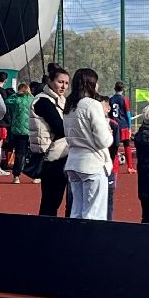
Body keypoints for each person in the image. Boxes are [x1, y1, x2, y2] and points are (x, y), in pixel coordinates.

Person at [61, 68, 112, 220]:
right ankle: (90, 242)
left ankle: (75, 241)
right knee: (94, 213)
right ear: (90, 84)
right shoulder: (92, 105)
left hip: (74, 161)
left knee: (76, 211)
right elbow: (104, 140)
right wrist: (108, 131)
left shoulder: (69, 105)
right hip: (92, 163)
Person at [28, 64, 70, 214]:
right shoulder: (43, 101)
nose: (63, 86)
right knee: (51, 201)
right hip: (51, 156)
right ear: (50, 81)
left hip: (61, 153)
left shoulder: (61, 100)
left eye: (66, 83)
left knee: (55, 200)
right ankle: (44, 232)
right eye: (60, 82)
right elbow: (60, 127)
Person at [6, 81, 34, 184]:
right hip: (31, 130)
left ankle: (16, 176)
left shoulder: (16, 99)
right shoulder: (32, 99)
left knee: (19, 153)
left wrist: (15, 94)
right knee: (33, 153)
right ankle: (35, 175)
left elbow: (7, 102)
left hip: (18, 130)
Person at [109, 82, 136, 172]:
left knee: (114, 147)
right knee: (126, 144)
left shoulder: (111, 99)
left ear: (114, 89)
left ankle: (114, 168)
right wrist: (129, 127)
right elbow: (128, 115)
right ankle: (130, 167)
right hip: (123, 125)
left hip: (114, 125)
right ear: (123, 89)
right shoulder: (125, 99)